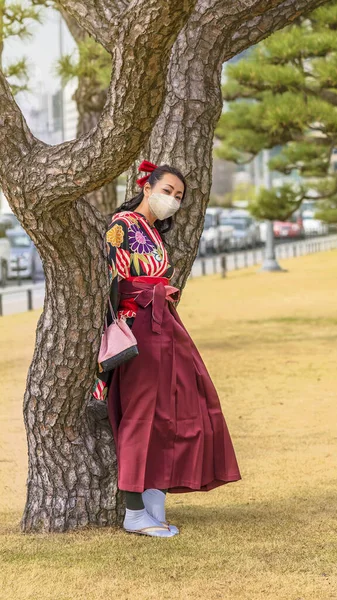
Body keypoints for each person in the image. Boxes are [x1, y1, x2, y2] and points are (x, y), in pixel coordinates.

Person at [92, 161, 242, 537]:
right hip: (138, 324)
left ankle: (155, 500)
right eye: (167, 190)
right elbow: (108, 279)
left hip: (162, 323)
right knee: (141, 413)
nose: (172, 199)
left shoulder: (153, 233)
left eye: (178, 196)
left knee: (172, 409)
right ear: (147, 186)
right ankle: (133, 510)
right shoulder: (121, 225)